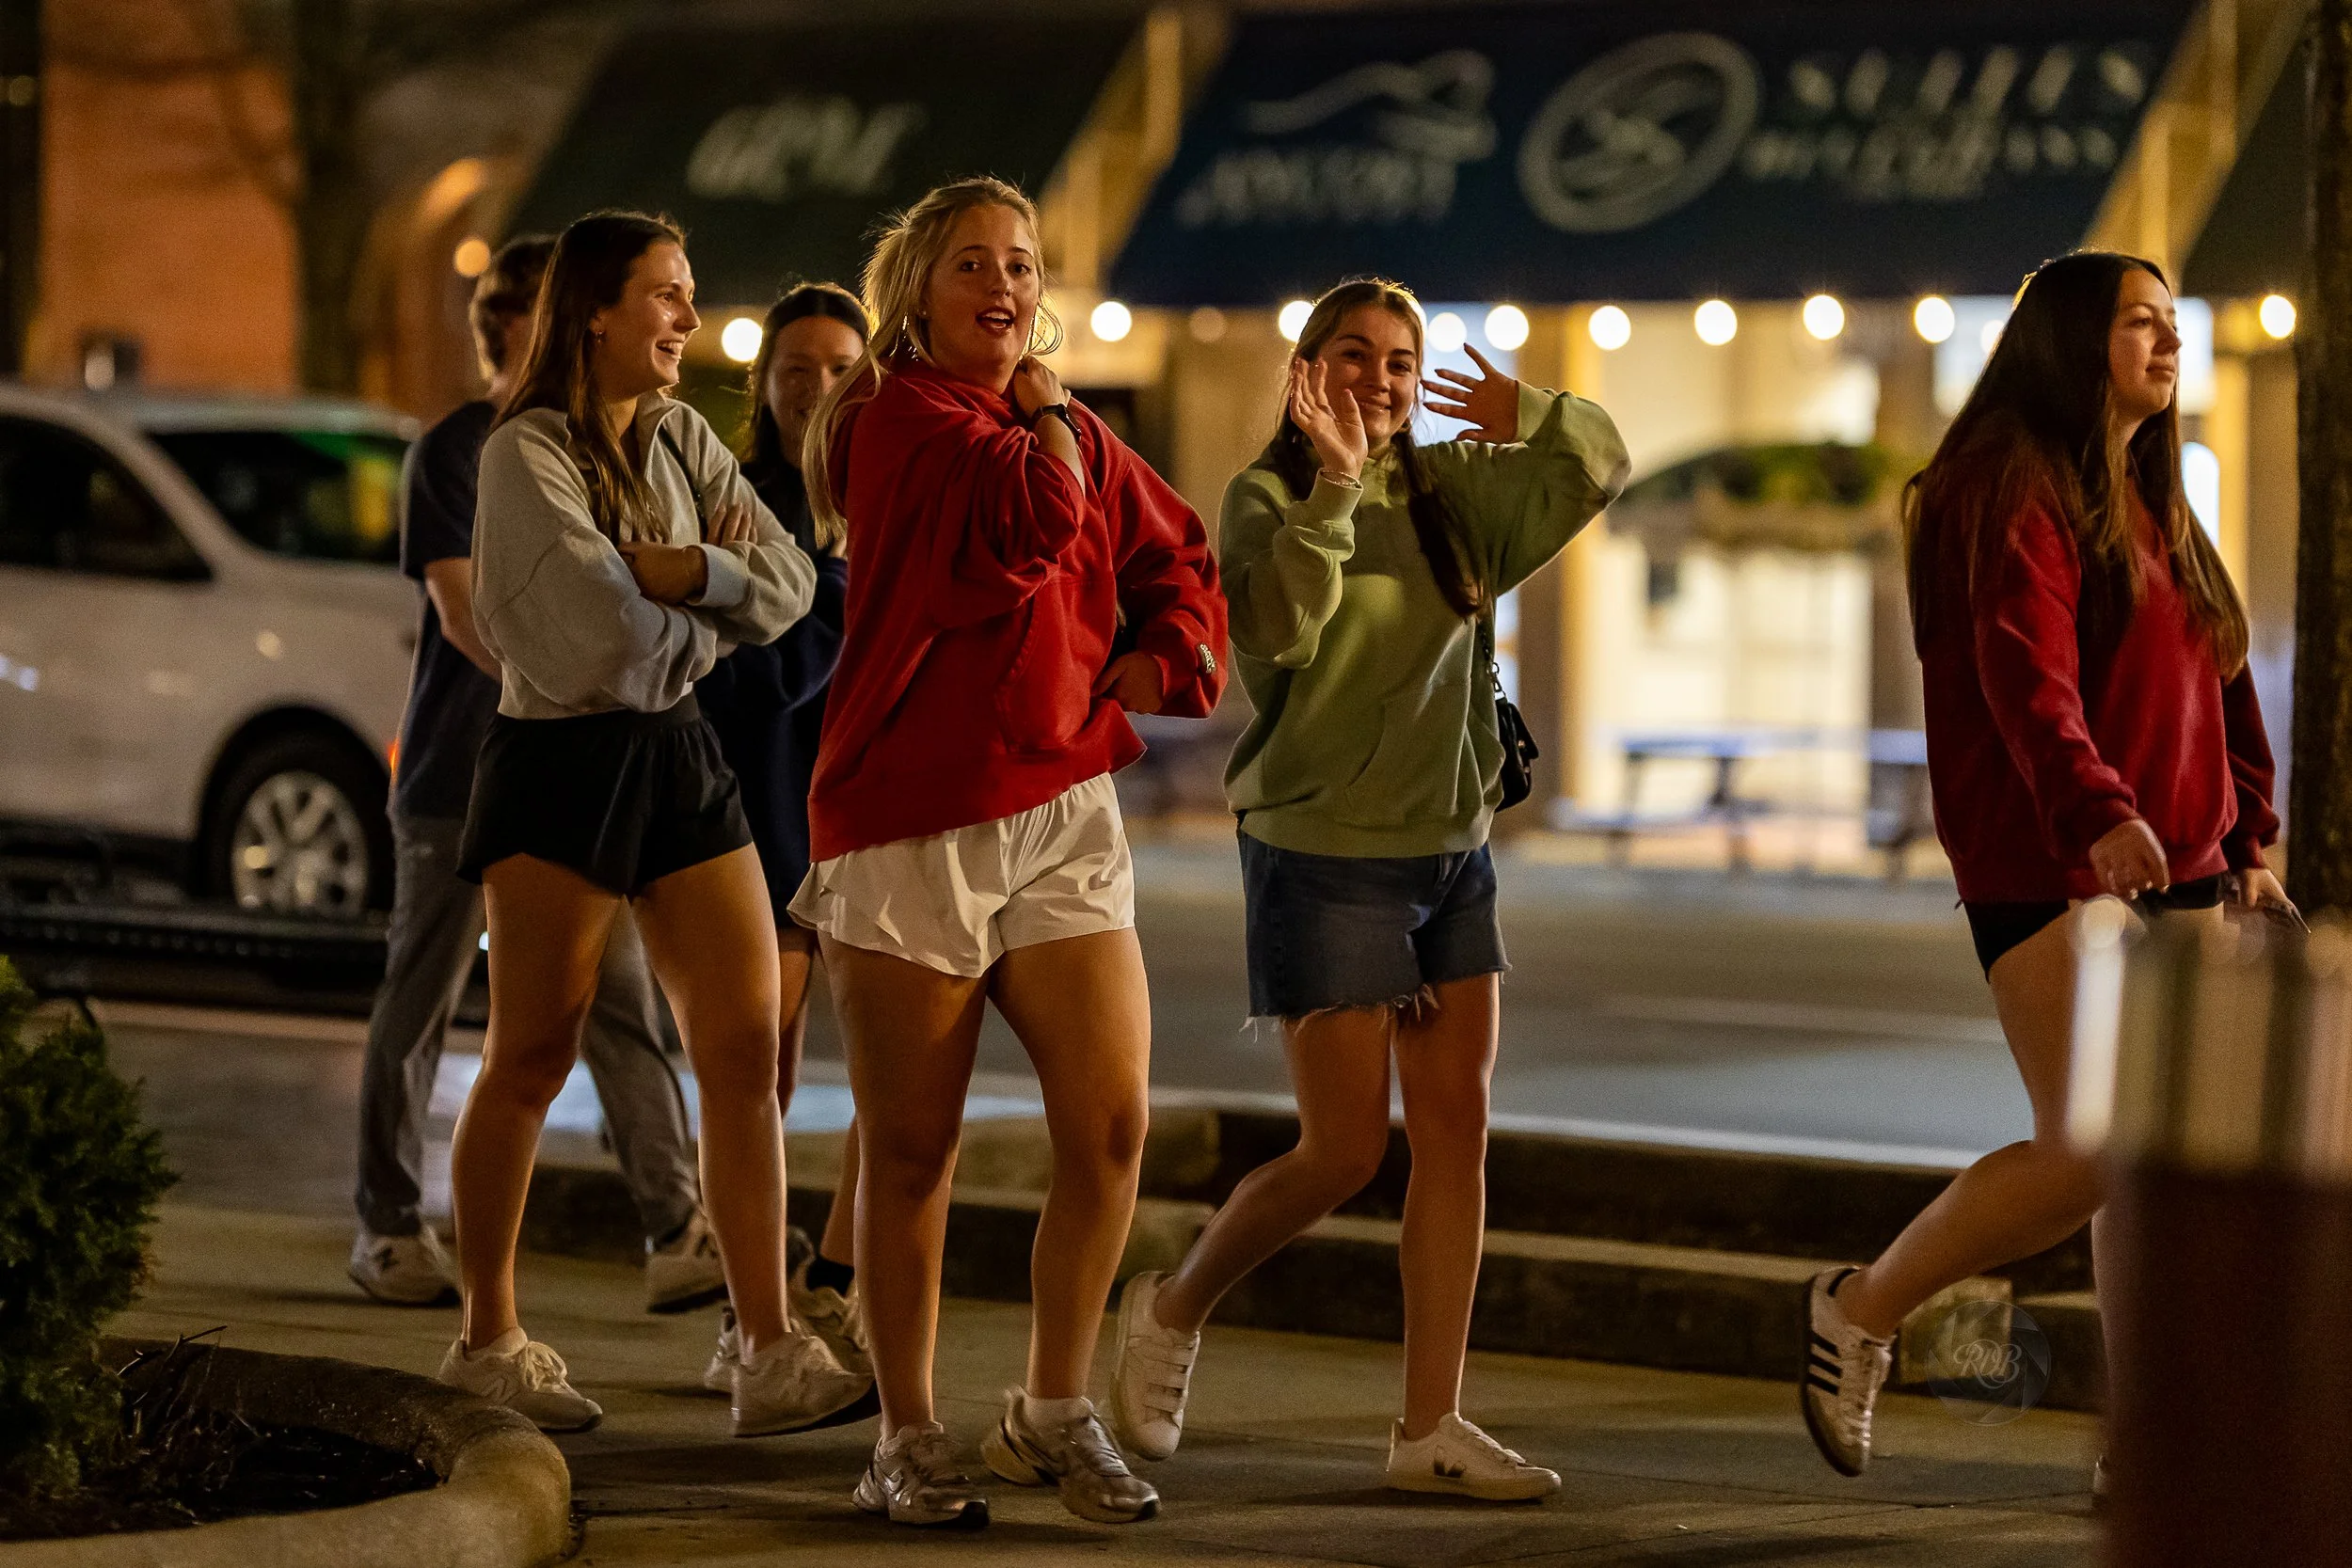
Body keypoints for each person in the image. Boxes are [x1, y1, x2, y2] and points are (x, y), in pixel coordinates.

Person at [1105, 278, 1627, 1500]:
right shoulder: (1265, 496)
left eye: (1403, 360)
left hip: (1450, 848)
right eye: (1356, 354)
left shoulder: (1455, 495)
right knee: (1343, 1148)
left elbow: (1599, 463)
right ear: (1307, 370)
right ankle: (1173, 1304)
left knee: (1458, 1132)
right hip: (1323, 848)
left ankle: (1428, 1422)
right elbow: (1278, 636)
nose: (1383, 379)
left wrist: (1523, 403)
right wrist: (1335, 492)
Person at [1796, 252, 2290, 1481]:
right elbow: (2029, 678)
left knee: (2152, 1176)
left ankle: (2147, 1442)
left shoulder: (2151, 495)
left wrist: (2252, 840)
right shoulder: (2003, 483)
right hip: (2061, 864)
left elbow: (2220, 676)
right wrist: (2098, 811)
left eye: (2175, 323)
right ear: (2075, 338)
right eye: (2140, 322)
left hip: (2180, 873)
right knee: (2090, 1154)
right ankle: (1860, 1306)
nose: (2168, 342)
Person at [793, 176, 1225, 1528]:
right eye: (973, 262)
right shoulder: (895, 417)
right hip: (913, 816)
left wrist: (1152, 660)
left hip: (1061, 809)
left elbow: (1178, 554)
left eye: (1024, 265)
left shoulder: (1065, 424)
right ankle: (908, 1432)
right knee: (912, 1152)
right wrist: (1049, 406)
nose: (1004, 284)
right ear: (916, 289)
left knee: (1109, 1123)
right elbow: (1035, 523)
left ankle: (1051, 1407)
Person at [436, 210, 866, 1439]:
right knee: (531, 1052)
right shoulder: (527, 455)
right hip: (560, 760)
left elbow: (783, 587)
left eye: (685, 295)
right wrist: (695, 615)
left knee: (740, 1047)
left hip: (679, 751)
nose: (685, 318)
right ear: (595, 311)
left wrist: (685, 575)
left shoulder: (679, 435)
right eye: (666, 296)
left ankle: (768, 1342)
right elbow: (597, 642)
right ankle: (486, 1334)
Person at [351, 235, 722, 1319]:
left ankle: (677, 1224)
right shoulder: (463, 449)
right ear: (514, 327)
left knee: (615, 1002)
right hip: (459, 773)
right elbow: (468, 613)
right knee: (420, 998)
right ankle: (384, 1222)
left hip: (573, 778)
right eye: (544, 310)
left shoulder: (601, 440)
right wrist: (593, 670)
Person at [694, 283, 867, 1389]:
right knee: (762, 1072)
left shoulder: (892, 489)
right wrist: (836, 598)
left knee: (893, 1078)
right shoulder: (745, 500)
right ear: (762, 385)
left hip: (880, 814)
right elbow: (755, 672)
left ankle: (833, 1289)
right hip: (773, 816)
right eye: (794, 369)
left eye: (836, 367)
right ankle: (746, 1310)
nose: (813, 388)